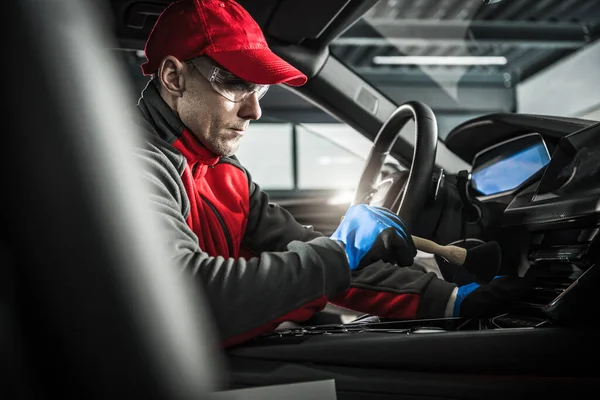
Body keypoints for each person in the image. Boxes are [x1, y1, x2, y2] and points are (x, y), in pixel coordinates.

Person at [133, 0, 527, 348]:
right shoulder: (134, 169)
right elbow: (191, 305)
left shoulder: (225, 174)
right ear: (174, 77)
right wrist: (343, 249)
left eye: (260, 90)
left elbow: (300, 248)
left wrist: (450, 299)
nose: (254, 111)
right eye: (236, 84)